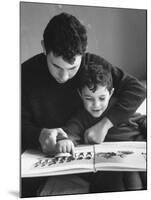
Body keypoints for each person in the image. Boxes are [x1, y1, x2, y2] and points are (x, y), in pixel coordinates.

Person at [21, 12, 146, 197]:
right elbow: (12, 125)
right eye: (56, 66)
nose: (63, 77)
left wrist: (105, 125)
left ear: (83, 53)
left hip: (103, 155)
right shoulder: (24, 74)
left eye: (72, 68)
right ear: (44, 48)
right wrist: (37, 135)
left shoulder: (93, 65)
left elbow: (137, 89)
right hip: (52, 156)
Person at [43, 57, 146, 195]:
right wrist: (64, 141)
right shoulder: (82, 117)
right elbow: (69, 132)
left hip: (136, 152)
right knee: (114, 183)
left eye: (102, 98)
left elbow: (142, 120)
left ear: (111, 93)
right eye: (89, 98)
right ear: (80, 95)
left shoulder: (119, 109)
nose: (96, 105)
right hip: (113, 164)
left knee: (138, 177)